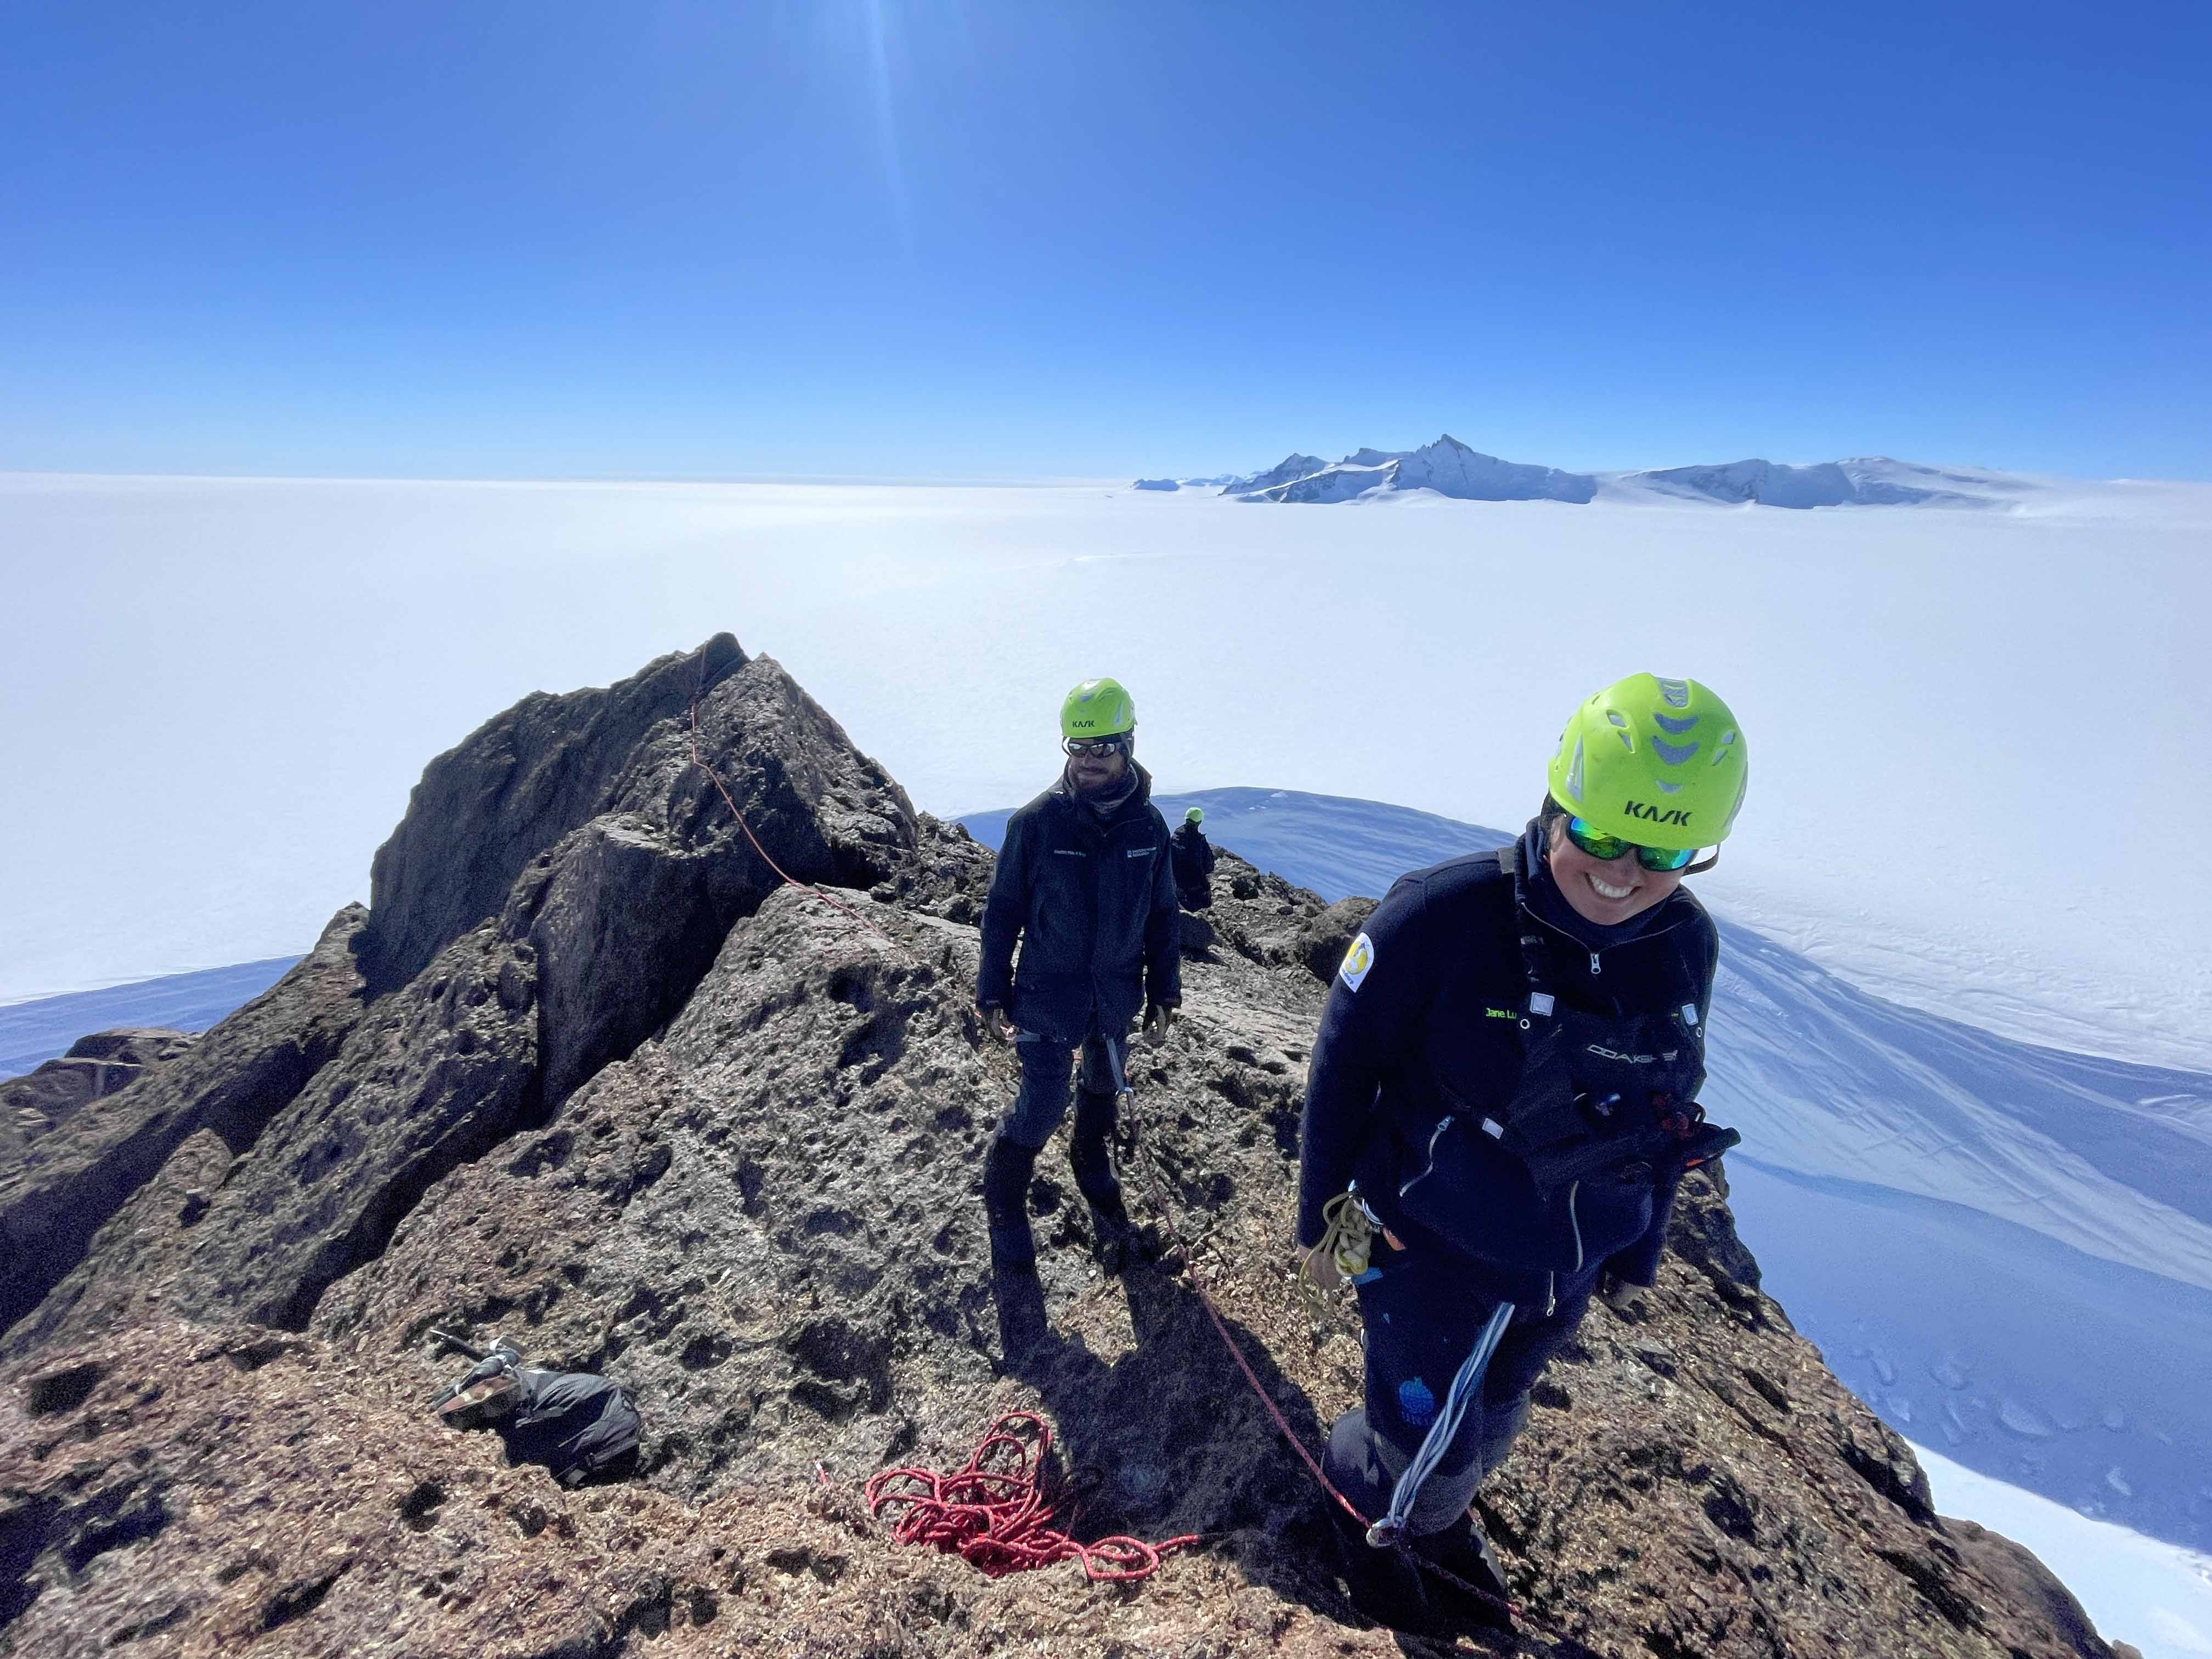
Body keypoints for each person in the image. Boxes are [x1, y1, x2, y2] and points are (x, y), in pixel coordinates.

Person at [1295, 673, 1747, 1634]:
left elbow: (1662, 1108)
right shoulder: (1439, 917)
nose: (1624, 872)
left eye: (1666, 847)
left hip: (1562, 1265)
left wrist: (1635, 1249)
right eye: (1598, 835)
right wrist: (1320, 1221)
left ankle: (1435, 1510)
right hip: (1426, 1247)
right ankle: (1367, 1515)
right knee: (1417, 1427)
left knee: (1495, 1408)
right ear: (1557, 801)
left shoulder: (1682, 943)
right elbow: (1343, 1064)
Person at [977, 678, 1182, 1276]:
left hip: (1115, 997)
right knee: (1041, 1104)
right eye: (1078, 747)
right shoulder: (1036, 823)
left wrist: (1167, 989)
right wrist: (990, 991)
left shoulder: (1149, 829)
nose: (1088, 760)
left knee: (1102, 1093)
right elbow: (1003, 911)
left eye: (1102, 747)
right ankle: (1004, 1205)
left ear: (1128, 744)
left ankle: (1094, 1173)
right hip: (1045, 996)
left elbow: (1165, 914)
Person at [1170, 806, 1217, 911]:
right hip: (1194, 889)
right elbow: (1209, 866)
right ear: (1199, 822)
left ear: (1186, 819)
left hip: (1175, 886)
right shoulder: (1198, 841)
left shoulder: (1175, 837)